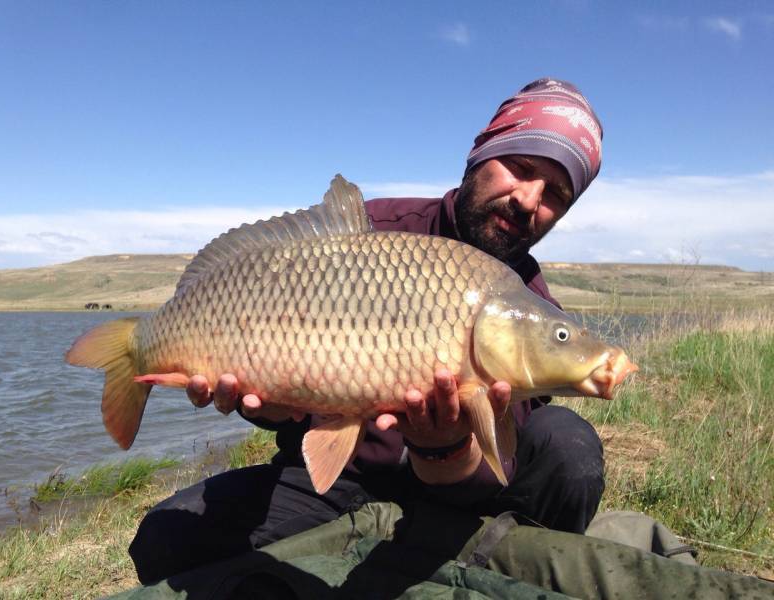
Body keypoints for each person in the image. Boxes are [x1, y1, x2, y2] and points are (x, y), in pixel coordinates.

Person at [129, 77, 606, 584]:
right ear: (479, 154)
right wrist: (270, 407)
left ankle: (503, 577)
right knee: (165, 541)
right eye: (521, 167)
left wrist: (440, 448)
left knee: (567, 448)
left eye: (556, 193)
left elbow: (500, 463)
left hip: (462, 496)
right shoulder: (373, 234)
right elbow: (286, 397)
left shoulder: (529, 302)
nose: (529, 199)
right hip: (340, 479)